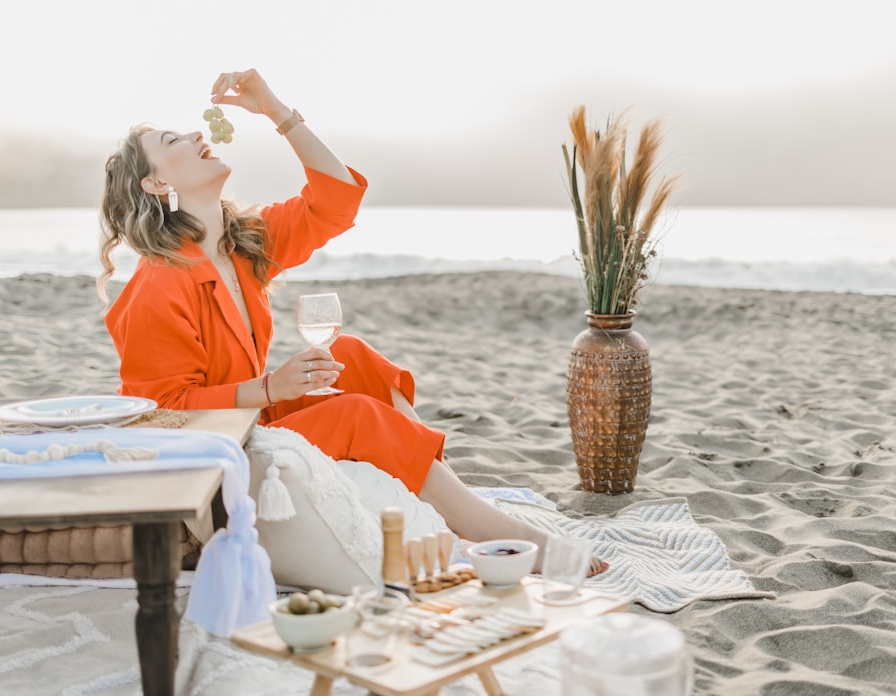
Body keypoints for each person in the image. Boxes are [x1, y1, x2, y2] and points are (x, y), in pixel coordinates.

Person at [97, 68, 606, 576]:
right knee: (355, 413)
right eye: (173, 140)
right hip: (216, 454)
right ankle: (500, 532)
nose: (196, 135)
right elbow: (161, 410)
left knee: (353, 357)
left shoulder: (241, 242)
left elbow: (337, 199)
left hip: (255, 420)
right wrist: (270, 387)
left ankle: (446, 499)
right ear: (157, 182)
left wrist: (276, 111)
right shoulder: (157, 284)